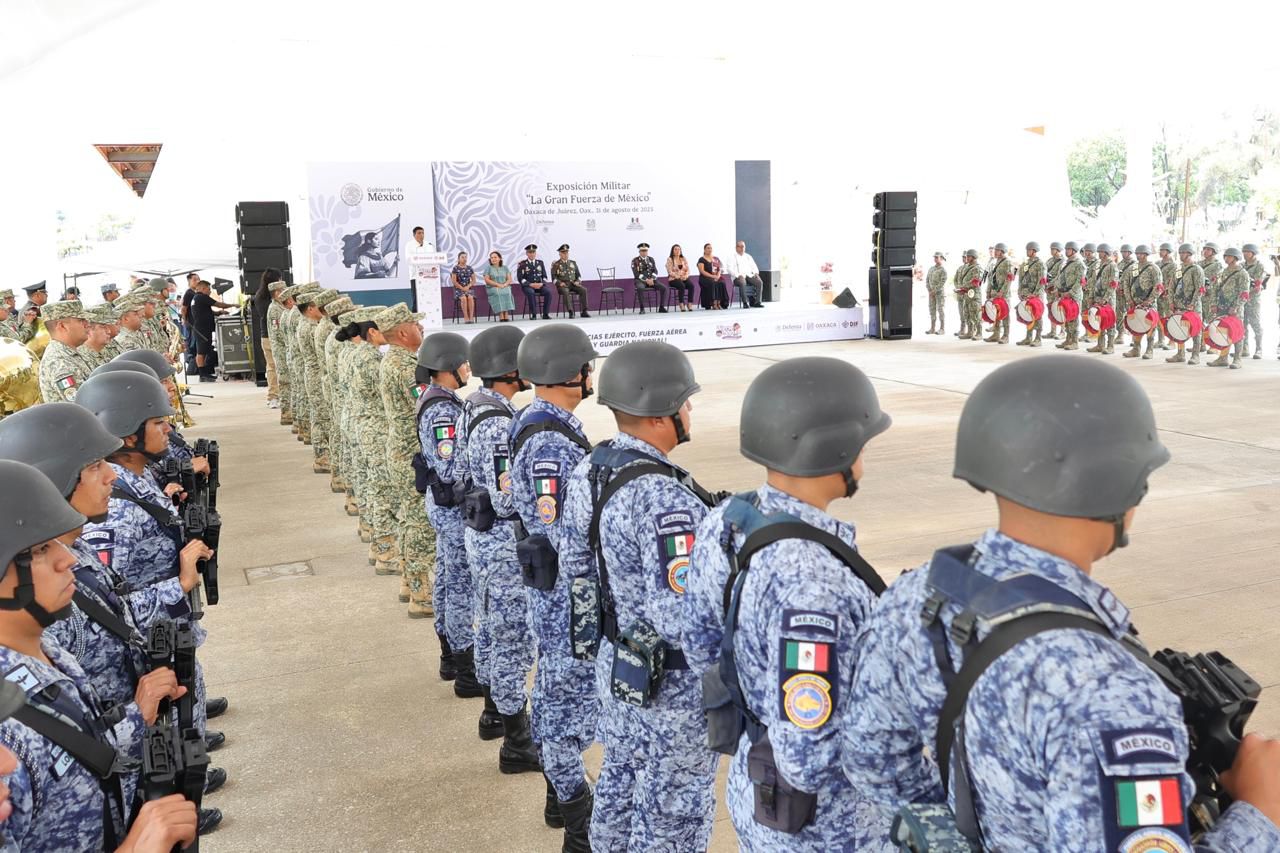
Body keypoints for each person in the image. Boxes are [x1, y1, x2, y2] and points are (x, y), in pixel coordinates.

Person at [841, 355, 1280, 851]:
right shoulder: (1114, 696)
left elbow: (870, 761)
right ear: (1120, 481)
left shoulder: (916, 596)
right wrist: (1262, 813)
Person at [0, 402, 227, 829]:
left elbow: (114, 616)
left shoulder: (70, 563)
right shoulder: (29, 644)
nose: (111, 475)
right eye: (94, 466)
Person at [558, 341, 722, 850]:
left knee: (620, 782)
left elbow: (574, 564)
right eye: (685, 400)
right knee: (674, 815)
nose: (690, 408)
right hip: (669, 687)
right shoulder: (666, 499)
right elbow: (683, 619)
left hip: (618, 665)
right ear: (659, 413)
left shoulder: (593, 467)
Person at [73, 371, 225, 751]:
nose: (168, 429)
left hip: (167, 636)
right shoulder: (113, 513)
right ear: (128, 435)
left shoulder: (133, 480)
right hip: (149, 646)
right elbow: (107, 607)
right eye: (158, 422)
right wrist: (180, 584)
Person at [508, 324, 599, 849]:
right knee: (562, 705)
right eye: (585, 365)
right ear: (569, 373)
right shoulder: (549, 441)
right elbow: (563, 530)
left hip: (555, 588)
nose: (590, 373)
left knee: (558, 694)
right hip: (566, 593)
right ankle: (577, 818)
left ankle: (558, 795)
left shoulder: (544, 424)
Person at [455, 325, 541, 772]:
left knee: (490, 629)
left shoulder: (477, 405)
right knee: (511, 641)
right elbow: (506, 498)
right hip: (502, 544)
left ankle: (494, 713)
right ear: (509, 367)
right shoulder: (496, 423)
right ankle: (517, 741)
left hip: (484, 537)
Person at [415, 332, 481, 694]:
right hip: (452, 508)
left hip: (442, 505)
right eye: (463, 363)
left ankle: (449, 657)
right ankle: (465, 667)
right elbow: (449, 467)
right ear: (447, 367)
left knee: (446, 578)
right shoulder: (443, 409)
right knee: (459, 586)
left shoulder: (438, 399)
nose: (468, 368)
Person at [374, 303, 438, 617]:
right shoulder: (406, 367)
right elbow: (427, 404)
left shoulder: (396, 359)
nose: (420, 328)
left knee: (408, 518)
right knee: (419, 524)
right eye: (414, 324)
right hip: (411, 453)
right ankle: (421, 593)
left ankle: (409, 582)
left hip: (401, 450)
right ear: (402, 332)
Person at [36, 300, 94, 402]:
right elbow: (83, 403)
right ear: (62, 326)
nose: (87, 324)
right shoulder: (58, 361)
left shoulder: (71, 352)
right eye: (81, 320)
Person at [1209, 248, 1250, 369]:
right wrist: (1213, 304)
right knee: (1223, 332)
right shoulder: (1222, 272)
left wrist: (1236, 306)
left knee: (1237, 332)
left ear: (1236, 258)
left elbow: (1244, 293)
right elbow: (1215, 289)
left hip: (1234, 308)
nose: (1226, 258)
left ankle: (1237, 359)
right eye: (1225, 256)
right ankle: (1223, 358)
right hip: (1222, 307)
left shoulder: (1242, 273)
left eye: (1229, 256)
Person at [1167, 243, 1206, 365]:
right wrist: (1171, 302)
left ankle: (1195, 355)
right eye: (1180, 253)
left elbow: (1200, 289)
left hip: (1192, 306)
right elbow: (1171, 286)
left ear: (1189, 254)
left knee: (1196, 330)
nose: (1181, 255)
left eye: (1183, 253)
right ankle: (1180, 354)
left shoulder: (1196, 269)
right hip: (1179, 304)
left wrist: (1193, 303)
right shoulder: (1178, 269)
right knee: (1179, 328)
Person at [189, 279, 233, 382]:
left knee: (204, 350)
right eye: (208, 289)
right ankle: (202, 374)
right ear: (203, 288)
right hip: (202, 329)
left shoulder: (196, 298)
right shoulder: (201, 297)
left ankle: (204, 372)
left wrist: (219, 313)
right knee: (201, 351)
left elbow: (206, 311)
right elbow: (218, 304)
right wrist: (233, 305)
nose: (209, 292)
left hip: (202, 328)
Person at [1123, 245, 1162, 360]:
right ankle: (1136, 349)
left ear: (1146, 254)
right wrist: (1129, 299)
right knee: (1135, 325)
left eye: (1140, 253)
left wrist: (1150, 300)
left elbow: (1158, 286)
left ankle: (1149, 350)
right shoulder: (1132, 268)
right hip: (1134, 303)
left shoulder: (1153, 268)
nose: (1138, 255)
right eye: (1137, 253)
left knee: (1150, 326)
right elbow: (1126, 284)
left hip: (1148, 303)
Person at [255, 269, 286, 408]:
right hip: (269, 336)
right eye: (279, 279)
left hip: (279, 336)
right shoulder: (263, 298)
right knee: (272, 367)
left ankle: (282, 395)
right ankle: (273, 396)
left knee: (277, 367)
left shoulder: (262, 296)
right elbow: (267, 315)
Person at [267, 275, 294, 421]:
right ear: (277, 293)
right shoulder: (275, 309)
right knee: (285, 381)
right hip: (281, 349)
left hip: (285, 349)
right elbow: (278, 333)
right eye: (283, 290)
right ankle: (286, 412)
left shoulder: (281, 307)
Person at [1087, 243, 1118, 355]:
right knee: (1099, 320)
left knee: (1109, 321)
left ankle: (1110, 346)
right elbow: (1093, 282)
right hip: (1097, 296)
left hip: (1107, 299)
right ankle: (1100, 345)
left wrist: (1105, 298)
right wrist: (1091, 297)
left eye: (1101, 252)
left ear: (1106, 253)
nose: (1099, 253)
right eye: (1099, 251)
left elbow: (1113, 284)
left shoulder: (1112, 266)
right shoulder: (1098, 265)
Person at [1055, 241, 1086, 351]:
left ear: (1074, 250)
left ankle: (1075, 342)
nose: (1066, 251)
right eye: (1066, 249)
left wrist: (1071, 292)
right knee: (1067, 317)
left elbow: (1080, 281)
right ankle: (1068, 339)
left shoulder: (1080, 264)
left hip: (1074, 295)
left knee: (1074, 318)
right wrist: (1058, 289)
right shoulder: (1065, 262)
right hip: (1064, 294)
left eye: (1068, 249)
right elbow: (1060, 277)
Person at [1015, 242, 1046, 346]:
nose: (1027, 252)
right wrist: (1020, 291)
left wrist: (1035, 294)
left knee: (1037, 315)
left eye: (1029, 250)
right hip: (1025, 294)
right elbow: (1021, 279)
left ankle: (1038, 338)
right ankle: (1028, 337)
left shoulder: (1040, 264)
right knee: (1027, 315)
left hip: (1035, 294)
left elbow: (1042, 280)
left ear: (1034, 251)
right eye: (1027, 250)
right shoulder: (1025, 264)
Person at [1241, 243, 1268, 359]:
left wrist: (1247, 295)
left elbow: (1257, 286)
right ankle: (1244, 348)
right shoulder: (1241, 265)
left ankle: (1259, 349)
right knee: (1242, 324)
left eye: (1247, 252)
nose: (1245, 254)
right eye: (1244, 251)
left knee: (1255, 324)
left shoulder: (1259, 266)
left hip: (1253, 300)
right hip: (1242, 299)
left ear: (1253, 253)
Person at [984, 243, 1014, 343]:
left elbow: (1009, 278)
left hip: (1003, 294)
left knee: (1005, 314)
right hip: (994, 292)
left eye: (997, 250)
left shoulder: (1008, 262)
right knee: (995, 314)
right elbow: (990, 278)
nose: (995, 252)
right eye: (995, 250)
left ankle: (1006, 336)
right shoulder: (994, 262)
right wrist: (988, 291)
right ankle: (996, 334)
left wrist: (1002, 291)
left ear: (1002, 251)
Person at [551, 244, 591, 319]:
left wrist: (578, 281)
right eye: (563, 253)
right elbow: (554, 278)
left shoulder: (573, 263)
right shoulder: (556, 264)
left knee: (583, 290)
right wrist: (559, 283)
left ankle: (584, 311)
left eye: (567, 252)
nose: (566, 254)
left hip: (573, 284)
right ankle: (571, 312)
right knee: (566, 291)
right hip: (563, 285)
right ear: (560, 254)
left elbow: (579, 275)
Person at [629, 242, 668, 313]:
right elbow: (636, 274)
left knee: (664, 288)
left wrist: (652, 279)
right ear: (639, 251)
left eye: (646, 251)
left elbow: (655, 271)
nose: (644, 252)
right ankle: (642, 308)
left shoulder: (651, 259)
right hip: (640, 281)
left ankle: (661, 307)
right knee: (640, 288)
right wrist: (647, 280)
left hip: (652, 280)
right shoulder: (635, 260)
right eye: (642, 251)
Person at [79, 304, 120, 370]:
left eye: (108, 327)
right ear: (89, 329)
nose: (109, 331)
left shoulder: (103, 352)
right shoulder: (82, 359)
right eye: (103, 327)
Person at [953, 249, 982, 340]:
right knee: (967, 314)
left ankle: (979, 333)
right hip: (966, 295)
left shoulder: (977, 268)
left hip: (974, 295)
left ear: (974, 257)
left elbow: (976, 281)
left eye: (969, 256)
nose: (967, 258)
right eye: (967, 256)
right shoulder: (966, 267)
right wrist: (961, 289)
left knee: (976, 314)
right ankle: (970, 332)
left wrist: (963, 287)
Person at [726, 240, 765, 308]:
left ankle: (757, 302)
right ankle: (745, 302)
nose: (741, 248)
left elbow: (754, 266)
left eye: (743, 246)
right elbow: (729, 269)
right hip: (737, 277)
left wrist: (756, 273)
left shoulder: (748, 256)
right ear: (736, 248)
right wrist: (738, 275)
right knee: (742, 282)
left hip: (748, 275)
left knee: (759, 282)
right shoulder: (731, 257)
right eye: (740, 246)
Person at [518, 244, 552, 319]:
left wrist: (542, 283)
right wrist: (530, 284)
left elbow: (544, 276)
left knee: (548, 292)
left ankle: (545, 314)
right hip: (528, 286)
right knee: (531, 292)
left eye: (533, 252)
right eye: (530, 252)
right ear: (527, 253)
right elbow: (520, 278)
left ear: (535, 253)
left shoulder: (540, 263)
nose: (532, 254)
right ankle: (534, 314)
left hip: (539, 285)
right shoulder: (522, 264)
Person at [1157, 242, 1179, 350]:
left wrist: (1166, 290)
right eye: (1160, 250)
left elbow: (1172, 280)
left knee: (1170, 317)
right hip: (1158, 294)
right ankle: (1161, 339)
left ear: (1168, 251)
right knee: (1159, 317)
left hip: (1167, 295)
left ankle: (1172, 341)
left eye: (1163, 250)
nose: (1160, 252)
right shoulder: (1157, 263)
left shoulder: (1173, 265)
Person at [484, 251, 516, 322]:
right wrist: (498, 285)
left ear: (499, 258)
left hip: (504, 286)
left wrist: (504, 285)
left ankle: (506, 312)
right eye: (492, 258)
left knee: (507, 292)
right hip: (492, 287)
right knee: (498, 293)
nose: (493, 259)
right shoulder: (488, 268)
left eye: (495, 257)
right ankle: (501, 313)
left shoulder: (505, 268)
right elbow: (487, 280)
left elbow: (509, 279)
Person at [405, 224, 436, 295]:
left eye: (423, 233)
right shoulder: (409, 245)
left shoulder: (429, 244)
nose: (421, 235)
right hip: (416, 275)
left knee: (428, 295)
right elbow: (408, 259)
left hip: (429, 275)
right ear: (414, 235)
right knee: (417, 297)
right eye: (419, 233)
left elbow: (434, 258)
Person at [1115, 243, 1136, 346]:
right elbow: (1116, 277)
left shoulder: (1135, 265)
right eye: (1122, 252)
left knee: (1132, 314)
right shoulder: (1119, 264)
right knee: (1119, 314)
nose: (1123, 253)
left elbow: (1136, 280)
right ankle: (1120, 334)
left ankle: (1134, 336)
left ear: (1130, 252)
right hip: (1119, 293)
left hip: (1130, 294)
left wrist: (1128, 290)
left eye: (1125, 252)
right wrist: (1117, 288)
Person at [1043, 241, 1064, 339]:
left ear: (1058, 250)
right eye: (1051, 249)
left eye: (1053, 249)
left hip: (1057, 289)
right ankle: (1053, 331)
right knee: (1051, 309)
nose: (1051, 251)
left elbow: (1060, 276)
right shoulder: (1049, 261)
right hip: (1049, 289)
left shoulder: (1063, 261)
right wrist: (1045, 285)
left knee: (1060, 310)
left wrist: (1051, 285)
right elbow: (1044, 273)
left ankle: (1063, 331)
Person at [697, 244, 728, 310]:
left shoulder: (715, 258)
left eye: (711, 248)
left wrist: (718, 276)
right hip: (705, 278)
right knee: (712, 282)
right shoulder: (701, 259)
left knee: (722, 282)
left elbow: (720, 269)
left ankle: (720, 303)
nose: (710, 249)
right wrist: (713, 276)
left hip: (715, 276)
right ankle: (713, 303)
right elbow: (702, 271)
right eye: (708, 248)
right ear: (704, 250)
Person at [665, 245, 694, 311]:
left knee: (691, 286)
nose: (677, 251)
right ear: (672, 251)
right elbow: (669, 271)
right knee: (682, 285)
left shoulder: (683, 258)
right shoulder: (670, 259)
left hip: (683, 278)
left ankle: (689, 303)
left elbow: (688, 270)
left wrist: (686, 276)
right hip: (674, 279)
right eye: (675, 249)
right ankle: (681, 303)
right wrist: (677, 276)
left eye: (679, 249)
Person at [925, 251, 947, 334]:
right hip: (931, 293)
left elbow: (942, 282)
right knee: (932, 310)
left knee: (940, 310)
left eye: (937, 257)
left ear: (941, 258)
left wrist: (935, 291)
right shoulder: (931, 269)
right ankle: (932, 328)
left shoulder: (943, 270)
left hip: (939, 294)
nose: (935, 259)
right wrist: (929, 290)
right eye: (934, 257)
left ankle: (942, 328)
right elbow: (927, 280)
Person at [452, 251, 478, 323]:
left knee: (470, 297)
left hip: (468, 288)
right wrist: (462, 288)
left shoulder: (469, 268)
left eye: (465, 257)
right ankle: (466, 317)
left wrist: (468, 287)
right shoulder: (455, 268)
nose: (464, 259)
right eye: (462, 257)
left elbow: (474, 280)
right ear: (458, 259)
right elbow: (454, 281)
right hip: (458, 289)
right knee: (463, 298)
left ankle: (471, 317)